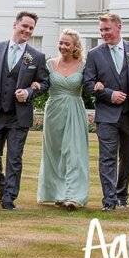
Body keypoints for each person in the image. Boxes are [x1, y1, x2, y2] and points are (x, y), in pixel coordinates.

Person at [0, 11, 49, 210]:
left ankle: (9, 198)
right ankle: (2, 186)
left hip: (19, 115)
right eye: (24, 26)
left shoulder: (37, 56)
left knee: (14, 157)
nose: (27, 30)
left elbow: (44, 83)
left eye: (31, 28)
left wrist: (28, 91)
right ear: (15, 24)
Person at [83, 13, 129, 211]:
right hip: (107, 115)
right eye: (101, 30)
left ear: (119, 27)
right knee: (107, 157)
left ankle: (122, 193)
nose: (104, 33)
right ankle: (109, 200)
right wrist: (109, 94)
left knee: (128, 157)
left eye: (107, 29)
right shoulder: (94, 54)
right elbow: (88, 85)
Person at [37, 30, 90, 210]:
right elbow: (42, 84)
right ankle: (57, 193)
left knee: (75, 153)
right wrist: (34, 86)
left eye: (67, 44)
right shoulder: (50, 64)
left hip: (74, 109)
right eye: (61, 43)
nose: (63, 47)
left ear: (75, 46)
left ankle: (74, 196)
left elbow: (92, 84)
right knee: (55, 152)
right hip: (53, 110)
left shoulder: (84, 65)